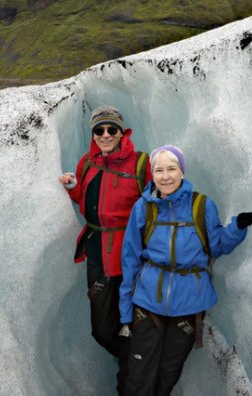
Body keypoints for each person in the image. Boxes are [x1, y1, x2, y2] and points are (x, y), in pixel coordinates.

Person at [119, 145, 252, 396]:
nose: (165, 176)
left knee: (169, 371)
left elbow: (217, 245)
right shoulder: (143, 208)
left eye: (172, 168)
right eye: (159, 170)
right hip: (147, 303)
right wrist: (126, 309)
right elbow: (130, 260)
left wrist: (237, 228)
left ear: (182, 171)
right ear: (152, 174)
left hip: (189, 304)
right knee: (139, 373)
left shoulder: (201, 206)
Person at [58, 105, 152, 394]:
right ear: (93, 133)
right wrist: (73, 187)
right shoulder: (88, 162)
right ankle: (129, 360)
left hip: (130, 256)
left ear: (122, 131)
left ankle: (133, 378)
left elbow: (157, 205)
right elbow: (87, 201)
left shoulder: (139, 164)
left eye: (112, 129)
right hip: (97, 253)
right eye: (99, 130)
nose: (106, 134)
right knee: (102, 330)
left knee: (134, 325)